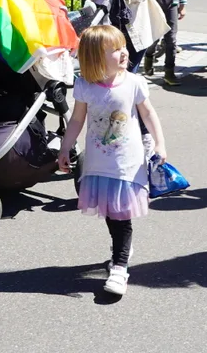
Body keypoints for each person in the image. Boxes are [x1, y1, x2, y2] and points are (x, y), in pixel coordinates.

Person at [57, 24, 168, 297]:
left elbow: (149, 114)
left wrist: (160, 142)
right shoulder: (85, 86)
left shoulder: (133, 82)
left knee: (121, 216)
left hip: (127, 163)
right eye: (115, 49)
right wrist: (64, 148)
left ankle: (119, 267)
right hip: (98, 163)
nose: (124, 52)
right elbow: (77, 120)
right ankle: (122, 249)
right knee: (110, 211)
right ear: (96, 57)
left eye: (123, 47)